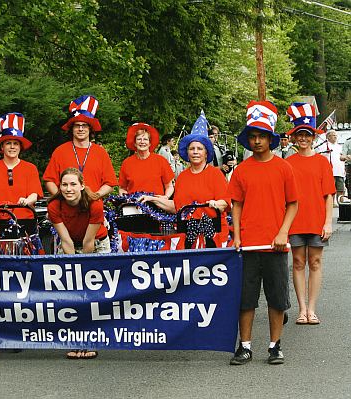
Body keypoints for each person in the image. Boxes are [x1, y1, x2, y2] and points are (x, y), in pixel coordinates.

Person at [228, 100, 298, 366]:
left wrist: (283, 232)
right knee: (245, 298)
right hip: (247, 244)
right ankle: (244, 346)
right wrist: (236, 235)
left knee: (276, 297)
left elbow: (293, 203)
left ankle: (274, 344)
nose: (257, 141)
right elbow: (237, 204)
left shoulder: (283, 167)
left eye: (261, 136)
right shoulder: (241, 170)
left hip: (275, 244)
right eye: (253, 136)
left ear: (270, 139)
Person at [139, 112, 229, 249]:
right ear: (187, 153)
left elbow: (225, 203)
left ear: (206, 153)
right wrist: (153, 199)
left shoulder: (215, 174)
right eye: (192, 148)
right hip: (187, 235)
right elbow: (177, 207)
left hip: (212, 235)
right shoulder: (182, 177)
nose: (195, 152)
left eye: (199, 149)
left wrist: (215, 204)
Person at [47, 167, 110, 359]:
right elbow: (65, 240)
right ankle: (73, 338)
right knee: (69, 293)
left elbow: (88, 243)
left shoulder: (95, 204)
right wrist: (73, 270)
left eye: (73, 184)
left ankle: (93, 338)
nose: (68, 189)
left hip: (95, 244)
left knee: (95, 293)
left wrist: (85, 271)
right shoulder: (54, 206)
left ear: (82, 186)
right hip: (69, 245)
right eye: (64, 184)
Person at [285, 103, 335, 326]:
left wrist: (327, 223)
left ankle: (312, 309)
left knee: (315, 262)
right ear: (294, 138)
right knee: (297, 262)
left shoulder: (322, 162)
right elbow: (283, 197)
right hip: (295, 220)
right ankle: (301, 308)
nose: (303, 138)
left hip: (316, 220)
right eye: (299, 135)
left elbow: (328, 196)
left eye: (307, 135)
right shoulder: (287, 163)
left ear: (313, 137)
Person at [43, 95, 117, 199]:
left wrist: (96, 195)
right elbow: (49, 180)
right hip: (66, 210)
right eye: (77, 125)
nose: (81, 129)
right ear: (72, 129)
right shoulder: (60, 151)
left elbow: (110, 183)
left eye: (84, 125)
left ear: (90, 129)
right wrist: (62, 198)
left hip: (93, 208)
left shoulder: (100, 152)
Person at [0, 112, 43, 219]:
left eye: (16, 143)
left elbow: (34, 194)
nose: (12, 147)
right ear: (2, 147)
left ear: (20, 147)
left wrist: (26, 201)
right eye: (8, 143)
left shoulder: (30, 168)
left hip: (25, 220)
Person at [118, 123, 174, 197]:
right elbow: (122, 188)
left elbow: (169, 186)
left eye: (145, 139)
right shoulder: (127, 163)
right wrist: (125, 199)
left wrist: (165, 197)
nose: (142, 142)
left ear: (150, 143)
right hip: (133, 205)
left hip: (156, 205)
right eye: (139, 139)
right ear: (134, 143)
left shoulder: (161, 161)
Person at [319, 130, 345, 206]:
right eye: (333, 135)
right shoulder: (324, 146)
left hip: (339, 170)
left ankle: (341, 203)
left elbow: (342, 157)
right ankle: (331, 203)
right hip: (329, 171)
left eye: (335, 135)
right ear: (328, 137)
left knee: (340, 188)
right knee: (330, 189)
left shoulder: (340, 147)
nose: (335, 136)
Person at [340, 134, 351, 200]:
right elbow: (342, 157)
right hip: (350, 166)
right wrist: (346, 157)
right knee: (349, 185)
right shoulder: (348, 142)